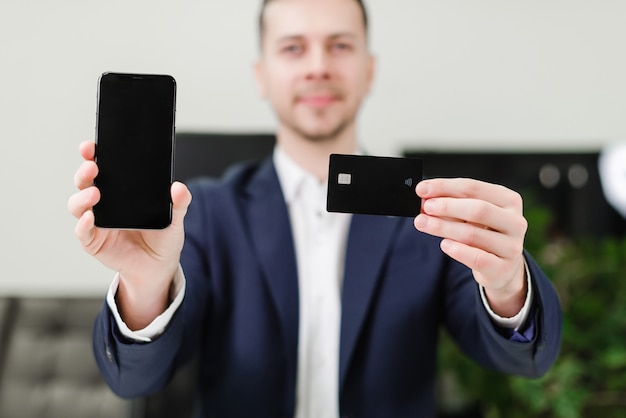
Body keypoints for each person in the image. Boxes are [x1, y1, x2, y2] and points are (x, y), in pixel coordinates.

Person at [68, 0, 562, 417]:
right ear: (262, 76)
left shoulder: (429, 212)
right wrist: (145, 282)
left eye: (340, 45)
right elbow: (134, 379)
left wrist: (507, 287)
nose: (318, 65)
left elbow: (525, 362)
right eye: (293, 48)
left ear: (369, 71)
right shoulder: (206, 212)